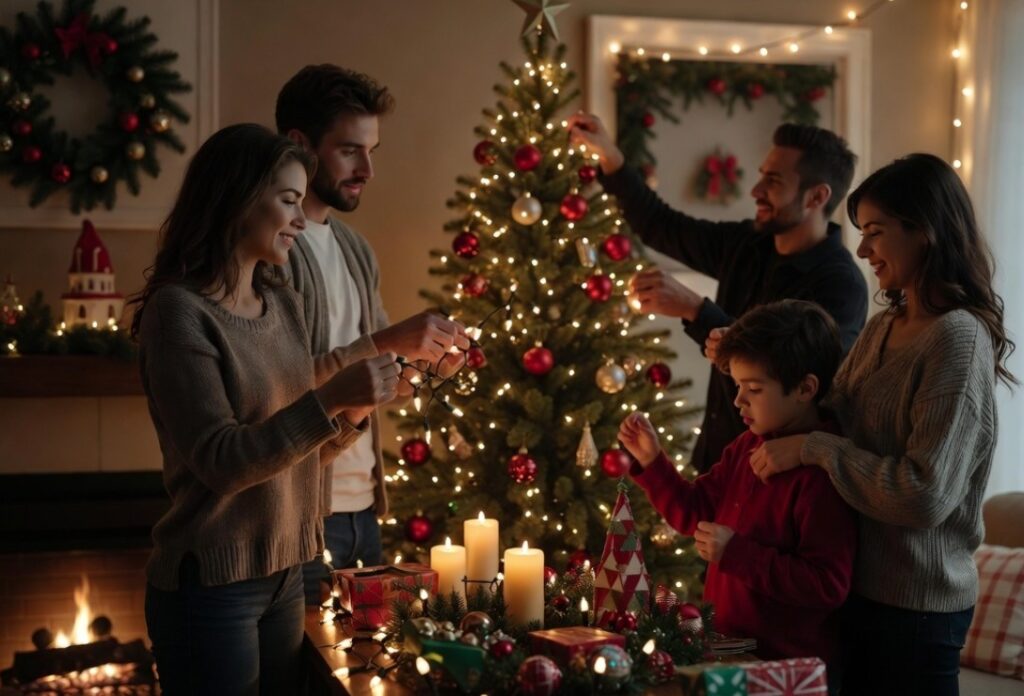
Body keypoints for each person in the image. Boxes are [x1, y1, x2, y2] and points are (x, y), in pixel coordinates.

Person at [130, 124, 401, 695]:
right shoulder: (178, 314)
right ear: (237, 198)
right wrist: (330, 397)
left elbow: (302, 454)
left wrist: (353, 410)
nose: (302, 221)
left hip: (290, 574)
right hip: (212, 587)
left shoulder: (283, 304)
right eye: (289, 201)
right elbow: (223, 461)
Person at [751, 154, 1014, 695]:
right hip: (855, 593)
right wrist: (758, 381)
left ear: (926, 233)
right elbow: (830, 419)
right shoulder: (884, 327)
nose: (864, 250)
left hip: (915, 613)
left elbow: (924, 495)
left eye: (875, 232)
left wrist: (815, 448)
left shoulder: (957, 340)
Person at [569, 114, 867, 473]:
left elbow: (790, 377)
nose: (755, 190)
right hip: (716, 466)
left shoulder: (840, 284)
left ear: (817, 196)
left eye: (772, 181)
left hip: (776, 482)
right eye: (761, 176)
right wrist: (610, 156)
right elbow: (663, 225)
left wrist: (698, 312)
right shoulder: (747, 245)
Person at [275, 64, 470, 603]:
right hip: (303, 519)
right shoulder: (272, 252)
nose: (367, 169)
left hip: (366, 512)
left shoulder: (355, 249)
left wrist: (423, 366)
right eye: (349, 150)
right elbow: (281, 387)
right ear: (299, 145)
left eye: (372, 151)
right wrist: (389, 342)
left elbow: (372, 379)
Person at [619, 300, 856, 684]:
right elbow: (692, 513)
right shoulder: (745, 447)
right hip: (727, 649)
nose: (738, 400)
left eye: (754, 388)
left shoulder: (821, 476)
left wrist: (736, 554)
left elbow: (826, 585)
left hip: (782, 668)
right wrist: (654, 460)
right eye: (737, 385)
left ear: (805, 388)